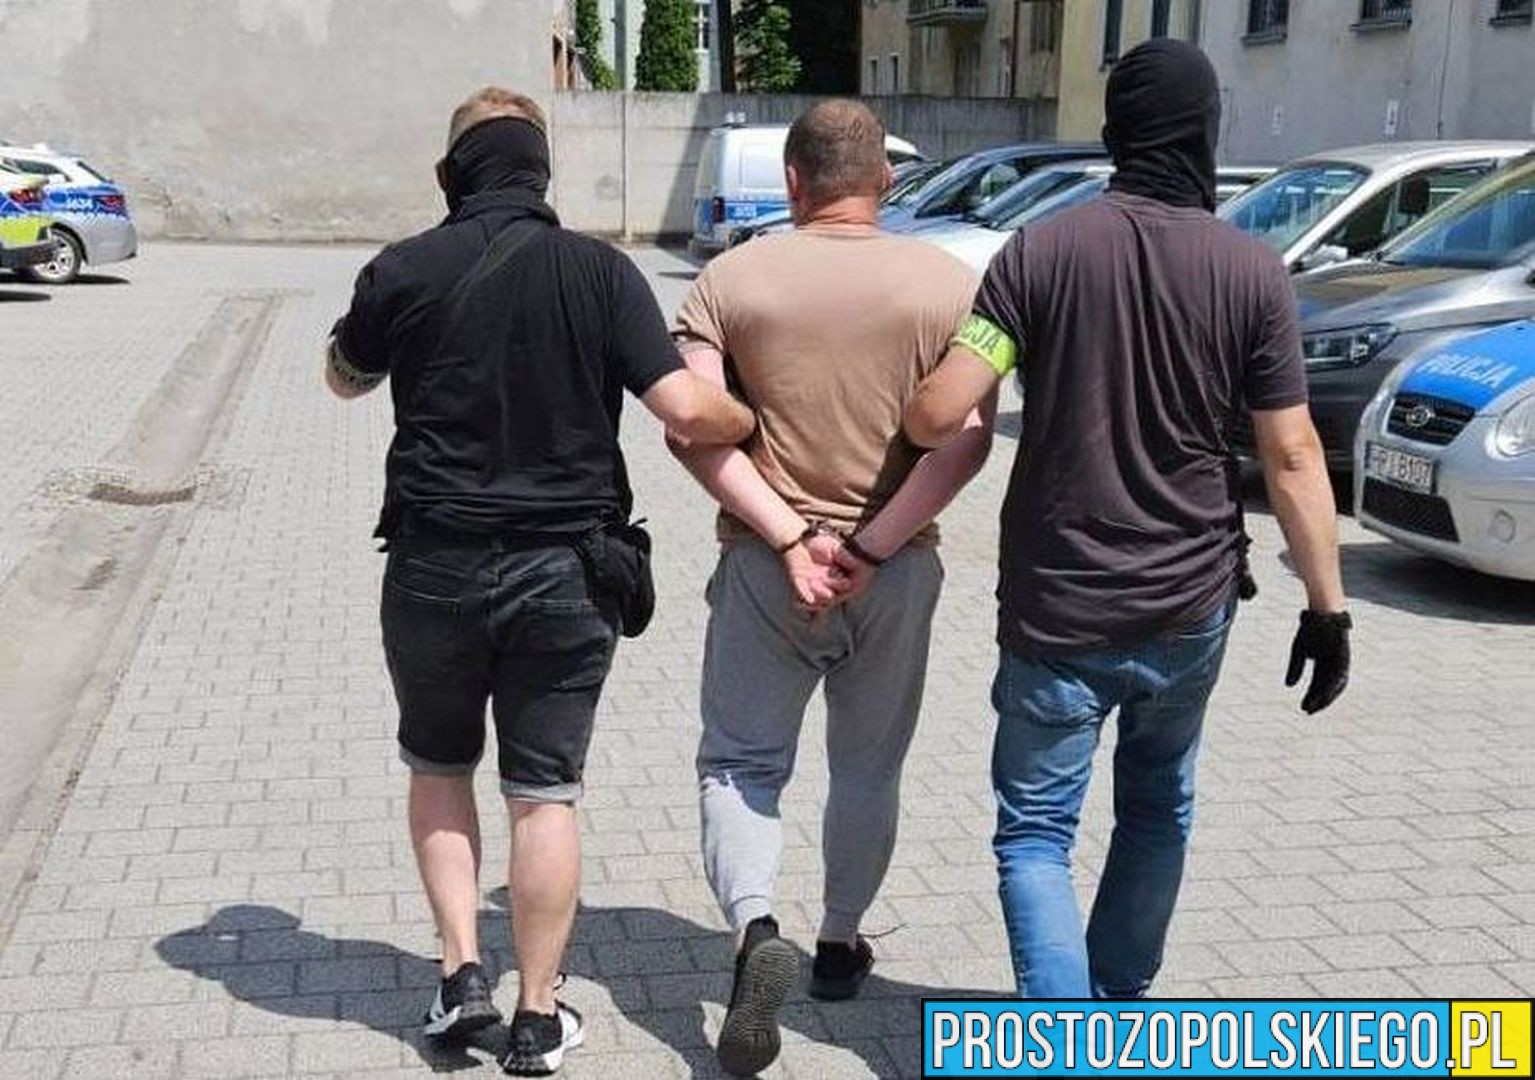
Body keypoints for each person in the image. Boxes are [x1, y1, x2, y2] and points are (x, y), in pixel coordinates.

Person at [904, 40, 1352, 999]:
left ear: (1115, 135)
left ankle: (1065, 1039)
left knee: (1035, 834)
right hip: (1189, 604)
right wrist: (1327, 609)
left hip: (1058, 605)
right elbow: (1291, 455)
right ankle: (1113, 1002)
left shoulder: (1039, 253)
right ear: (1205, 133)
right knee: (1157, 804)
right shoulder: (1253, 272)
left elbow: (938, 415)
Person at [325, 88, 756, 1075]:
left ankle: (459, 977)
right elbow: (688, 411)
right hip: (566, 575)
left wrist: (363, 341)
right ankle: (536, 1013)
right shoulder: (600, 273)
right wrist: (746, 416)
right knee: (544, 796)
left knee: (439, 769)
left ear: (450, 176)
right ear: (542, 173)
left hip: (432, 567)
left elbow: (344, 378)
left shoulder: (401, 267)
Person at [669, 99, 994, 1075]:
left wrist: (789, 535)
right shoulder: (949, 285)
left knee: (739, 763)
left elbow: (689, 424)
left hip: (765, 566)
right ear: (885, 180)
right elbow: (968, 441)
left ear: (792, 181)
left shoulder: (729, 280)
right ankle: (841, 944)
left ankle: (753, 928)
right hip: (894, 571)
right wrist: (872, 546)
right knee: (866, 768)